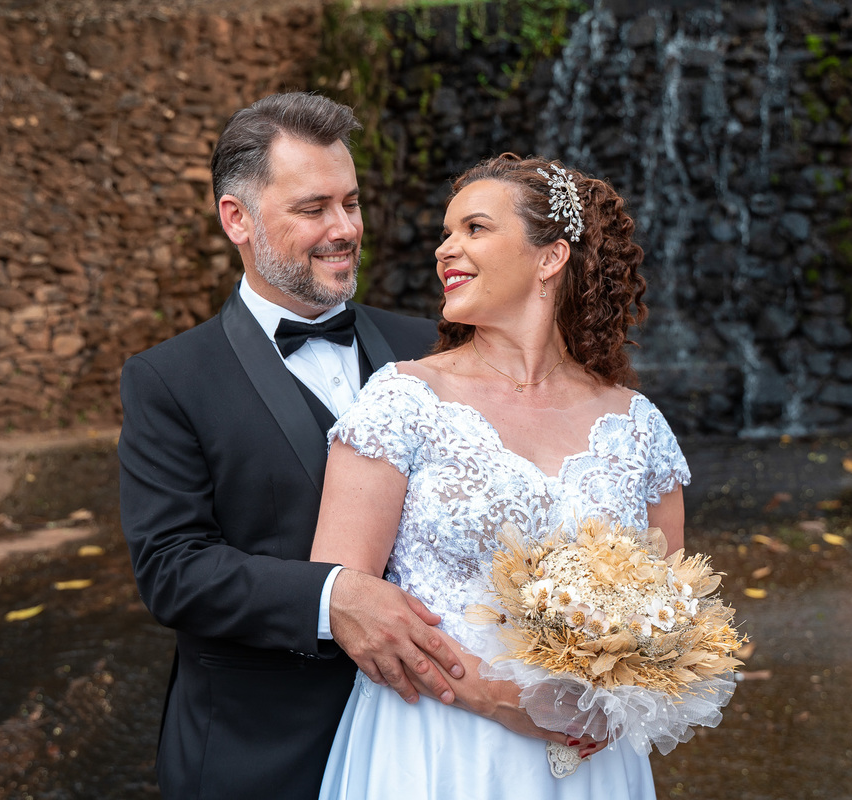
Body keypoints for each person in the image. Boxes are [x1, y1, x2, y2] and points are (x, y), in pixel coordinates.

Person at [118, 92, 467, 800]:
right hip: (261, 751)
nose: (345, 229)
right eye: (314, 209)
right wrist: (330, 597)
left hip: (433, 741)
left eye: (353, 202)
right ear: (236, 219)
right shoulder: (168, 378)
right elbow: (172, 568)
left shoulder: (431, 346)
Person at [311, 153, 691, 799]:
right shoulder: (403, 400)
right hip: (436, 746)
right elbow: (348, 603)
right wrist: (497, 699)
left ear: (550, 258)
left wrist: (623, 690)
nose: (445, 249)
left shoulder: (637, 426)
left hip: (593, 759)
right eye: (445, 233)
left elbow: (671, 615)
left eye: (475, 229)